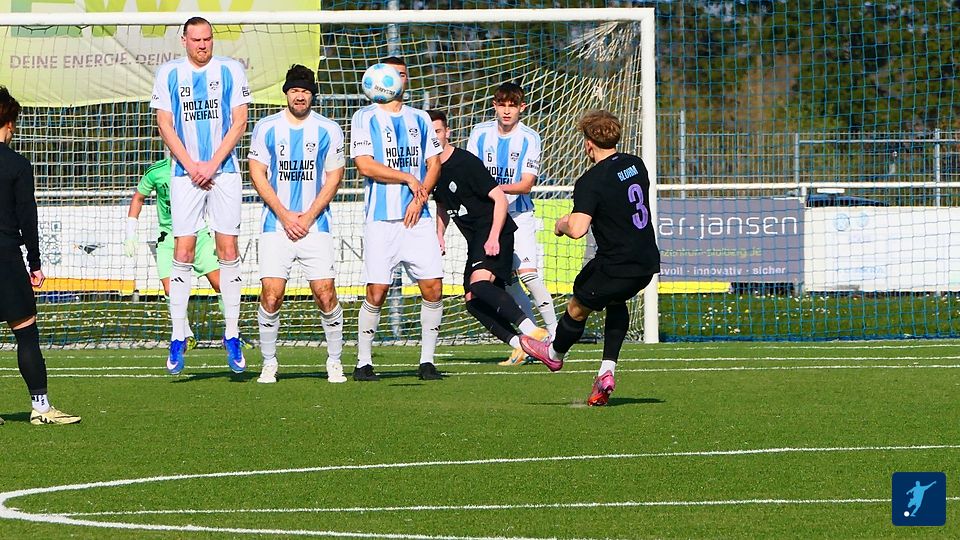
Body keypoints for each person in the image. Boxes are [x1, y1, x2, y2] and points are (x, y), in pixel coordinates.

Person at [520, 110, 660, 406]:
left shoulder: (591, 180)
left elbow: (578, 229)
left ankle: (554, 353)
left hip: (616, 264)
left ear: (588, 143)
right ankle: (606, 372)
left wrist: (561, 224)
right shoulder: (635, 164)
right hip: (646, 261)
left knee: (576, 307)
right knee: (616, 301)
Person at [150, 16, 252, 375]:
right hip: (184, 174)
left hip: (224, 173)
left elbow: (240, 121)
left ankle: (232, 334)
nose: (202, 45)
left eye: (207, 39)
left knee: (228, 249)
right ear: (184, 41)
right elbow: (164, 124)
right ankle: (178, 335)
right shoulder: (168, 73)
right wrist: (192, 165)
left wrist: (212, 164)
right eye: (196, 40)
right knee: (183, 250)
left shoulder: (231, 70)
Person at [248, 65, 347, 384]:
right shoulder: (266, 127)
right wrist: (285, 214)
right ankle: (269, 363)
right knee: (271, 295)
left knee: (325, 294)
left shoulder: (329, 129)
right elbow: (257, 172)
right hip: (276, 225)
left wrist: (307, 216)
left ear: (312, 95)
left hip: (316, 225)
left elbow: (334, 177)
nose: (299, 96)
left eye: (305, 91)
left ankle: (334, 360)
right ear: (286, 94)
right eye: (294, 91)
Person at [349, 56, 444, 381]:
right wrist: (406, 178)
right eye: (392, 75)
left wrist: (419, 198)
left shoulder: (420, 118)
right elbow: (365, 165)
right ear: (379, 80)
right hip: (381, 220)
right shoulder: (364, 117)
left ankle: (427, 361)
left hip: (418, 218)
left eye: (402, 74)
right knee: (377, 290)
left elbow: (434, 164)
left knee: (432, 287)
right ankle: (363, 363)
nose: (398, 79)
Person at [429, 110, 548, 352]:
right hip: (476, 238)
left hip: (495, 231)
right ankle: (521, 345)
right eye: (429, 133)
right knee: (472, 301)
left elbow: (500, 199)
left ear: (447, 133)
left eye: (438, 131)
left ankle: (534, 331)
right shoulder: (430, 168)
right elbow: (442, 204)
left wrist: (494, 237)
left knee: (481, 285)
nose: (434, 137)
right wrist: (439, 234)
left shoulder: (466, 162)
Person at [0, 86, 80, 425]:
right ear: (8, 122)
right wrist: (34, 263)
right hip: (5, 257)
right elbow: (27, 217)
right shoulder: (17, 164)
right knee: (26, 332)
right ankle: (42, 408)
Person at [466, 82, 557, 366]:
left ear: (522, 108)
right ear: (494, 106)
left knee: (528, 275)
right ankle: (532, 342)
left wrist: (493, 189)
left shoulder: (530, 137)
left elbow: (526, 184)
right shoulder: (479, 134)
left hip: (519, 215)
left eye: (512, 106)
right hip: (490, 219)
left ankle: (556, 335)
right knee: (506, 283)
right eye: (502, 105)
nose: (507, 111)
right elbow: (471, 174)